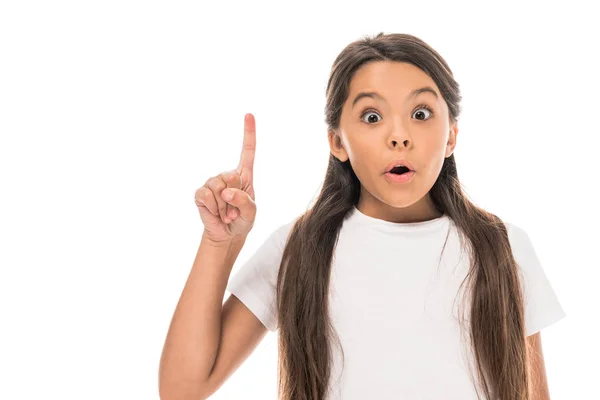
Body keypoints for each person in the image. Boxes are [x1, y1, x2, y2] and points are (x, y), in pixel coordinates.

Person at [159, 32, 566, 400]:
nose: (399, 135)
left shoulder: (501, 247)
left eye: (421, 114)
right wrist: (221, 242)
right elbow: (181, 390)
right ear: (338, 141)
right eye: (372, 117)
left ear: (451, 136)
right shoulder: (299, 249)